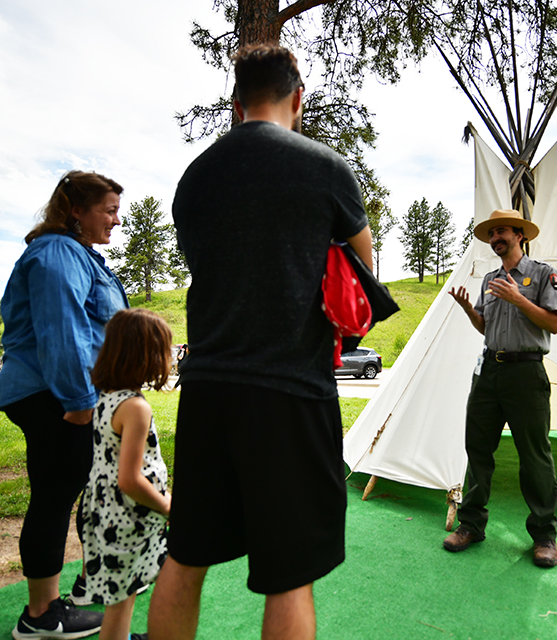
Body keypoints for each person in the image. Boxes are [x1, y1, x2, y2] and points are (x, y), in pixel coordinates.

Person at [147, 43, 372, 640]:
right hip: (291, 391)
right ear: (298, 97)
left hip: (208, 388)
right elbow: (362, 266)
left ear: (235, 102)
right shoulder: (326, 167)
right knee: (290, 573)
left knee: (186, 554)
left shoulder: (194, 177)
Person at [0, 170, 129, 640]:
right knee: (54, 498)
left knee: (90, 491)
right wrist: (79, 402)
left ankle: (85, 588)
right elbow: (61, 329)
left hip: (70, 396)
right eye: (109, 210)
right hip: (54, 397)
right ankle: (42, 616)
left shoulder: (82, 256)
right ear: (76, 211)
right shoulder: (57, 253)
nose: (117, 219)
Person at [443, 208, 557, 568]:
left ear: (520, 235)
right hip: (488, 374)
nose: (496, 238)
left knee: (534, 456)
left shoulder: (543, 275)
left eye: (503, 232)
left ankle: (544, 535)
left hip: (526, 374)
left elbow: (554, 324)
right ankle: (471, 526)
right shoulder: (489, 280)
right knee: (477, 449)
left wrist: (519, 299)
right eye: (492, 233)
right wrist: (469, 309)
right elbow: (486, 327)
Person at [81, 308, 173, 640]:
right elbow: (130, 479)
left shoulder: (107, 398)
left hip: (106, 511)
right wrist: (165, 505)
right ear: (146, 356)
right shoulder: (136, 407)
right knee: (121, 598)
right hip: (128, 516)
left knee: (124, 591)